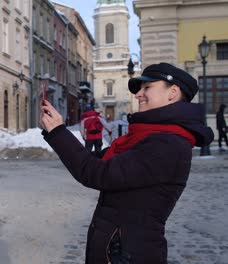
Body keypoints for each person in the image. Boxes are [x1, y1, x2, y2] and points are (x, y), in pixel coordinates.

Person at [40, 62, 213, 263]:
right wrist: (57, 132)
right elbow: (94, 160)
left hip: (128, 255)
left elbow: (97, 173)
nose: (138, 94)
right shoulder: (145, 137)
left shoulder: (167, 143)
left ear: (173, 92)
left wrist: (59, 133)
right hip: (119, 249)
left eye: (147, 87)